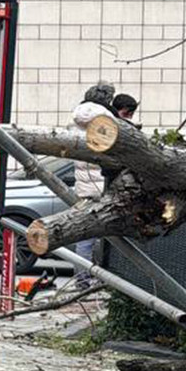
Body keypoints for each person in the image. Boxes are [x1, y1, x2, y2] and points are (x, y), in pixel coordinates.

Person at [66, 83, 116, 287]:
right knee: (107, 236)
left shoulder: (76, 119)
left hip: (83, 186)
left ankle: (81, 279)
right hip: (101, 185)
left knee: (84, 236)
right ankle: (104, 278)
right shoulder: (106, 119)